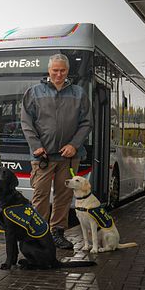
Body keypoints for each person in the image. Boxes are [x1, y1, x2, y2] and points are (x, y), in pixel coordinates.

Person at [20, 53, 92, 249]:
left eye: (62, 71)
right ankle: (38, 233)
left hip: (69, 157)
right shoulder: (34, 92)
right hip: (42, 156)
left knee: (63, 196)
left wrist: (74, 145)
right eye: (55, 70)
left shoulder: (79, 93)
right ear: (49, 70)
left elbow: (86, 123)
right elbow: (26, 123)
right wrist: (36, 147)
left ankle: (57, 233)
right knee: (40, 195)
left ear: (67, 71)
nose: (58, 74)